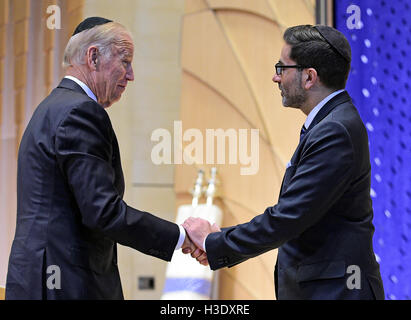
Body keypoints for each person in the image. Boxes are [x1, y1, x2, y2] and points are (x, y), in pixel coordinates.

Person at [5, 17, 205, 300]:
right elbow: (104, 213)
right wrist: (182, 236)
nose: (131, 75)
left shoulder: (51, 108)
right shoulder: (80, 112)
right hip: (65, 284)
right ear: (94, 56)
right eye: (125, 61)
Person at [183, 24, 385, 300]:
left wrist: (214, 242)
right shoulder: (332, 122)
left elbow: (289, 216)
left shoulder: (335, 129)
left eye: (282, 67)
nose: (276, 78)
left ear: (309, 77)